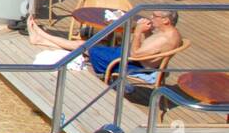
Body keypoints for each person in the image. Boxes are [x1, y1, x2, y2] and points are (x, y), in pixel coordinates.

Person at [27, 10, 182, 81]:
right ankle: (40, 38)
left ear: (166, 20)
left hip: (127, 63)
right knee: (83, 47)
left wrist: (138, 33)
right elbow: (148, 49)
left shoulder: (165, 39)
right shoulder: (168, 33)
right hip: (127, 57)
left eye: (155, 16)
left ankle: (42, 36)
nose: (151, 17)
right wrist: (144, 33)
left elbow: (136, 54)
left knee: (83, 47)